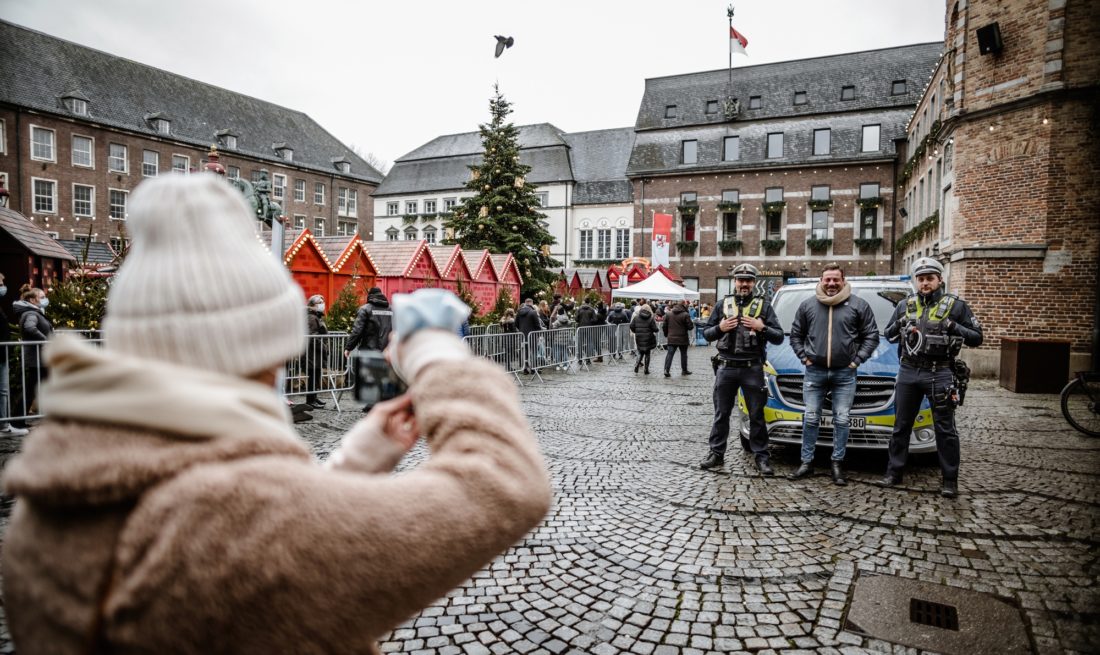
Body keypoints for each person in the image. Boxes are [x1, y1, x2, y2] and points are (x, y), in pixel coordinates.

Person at [0, 174, 552, 653]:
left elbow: (277, 542)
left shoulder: (46, 506)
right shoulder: (239, 522)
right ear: (254, 356)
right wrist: (435, 352)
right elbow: (505, 484)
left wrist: (353, 465)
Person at [878, 257, 983, 498]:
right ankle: (894, 473)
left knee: (945, 428)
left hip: (940, 372)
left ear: (939, 280)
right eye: (921, 279)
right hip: (908, 371)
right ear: (916, 281)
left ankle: (949, 480)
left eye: (930, 279)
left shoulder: (956, 306)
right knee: (901, 426)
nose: (925, 283)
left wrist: (953, 326)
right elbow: (889, 334)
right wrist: (902, 323)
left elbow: (977, 337)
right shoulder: (905, 305)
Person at [786, 264, 879, 485]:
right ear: (821, 280)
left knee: (842, 419)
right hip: (814, 371)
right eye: (827, 279)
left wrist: (857, 360)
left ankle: (837, 463)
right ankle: (806, 462)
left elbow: (871, 336)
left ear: (843, 280)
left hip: (845, 373)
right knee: (810, 418)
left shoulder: (859, 305)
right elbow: (795, 335)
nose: (831, 284)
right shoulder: (808, 305)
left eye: (835, 280)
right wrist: (803, 357)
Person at [701, 264, 784, 475]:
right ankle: (716, 453)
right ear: (735, 281)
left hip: (752, 368)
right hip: (726, 367)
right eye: (740, 280)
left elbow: (779, 336)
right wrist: (719, 328)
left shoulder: (764, 307)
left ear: (754, 283)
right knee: (721, 413)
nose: (744, 284)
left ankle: (762, 456)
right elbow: (706, 334)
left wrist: (761, 327)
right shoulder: (722, 305)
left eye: (748, 280)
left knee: (756, 415)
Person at [344, 286, 393, 411]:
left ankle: (372, 403)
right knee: (384, 375)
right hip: (387, 348)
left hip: (370, 348)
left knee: (371, 375)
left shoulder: (365, 309)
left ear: (370, 296)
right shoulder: (391, 309)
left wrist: (349, 347)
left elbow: (357, 330)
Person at [13, 285, 53, 423]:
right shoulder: (31, 313)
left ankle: (18, 420)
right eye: (42, 297)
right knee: (31, 389)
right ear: (33, 300)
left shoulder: (35, 312)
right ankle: (17, 420)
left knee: (35, 387)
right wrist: (46, 340)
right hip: (37, 358)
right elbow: (29, 328)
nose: (45, 299)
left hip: (40, 357)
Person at [0, 274, 28, 436]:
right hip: (1, 353)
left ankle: (4, 424)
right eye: (0, 283)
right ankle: (3, 426)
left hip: (2, 354)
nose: (3, 286)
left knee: (3, 390)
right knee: (2, 391)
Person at [304, 294, 329, 410]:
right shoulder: (311, 317)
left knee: (316, 375)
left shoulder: (316, 316)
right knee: (313, 376)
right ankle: (310, 400)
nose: (322, 304)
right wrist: (323, 347)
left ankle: (314, 397)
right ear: (313, 304)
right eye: (320, 302)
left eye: (322, 301)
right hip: (312, 352)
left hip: (316, 352)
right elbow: (313, 336)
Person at [662, 300, 694, 377]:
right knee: (683, 355)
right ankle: (684, 370)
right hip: (682, 338)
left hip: (671, 337)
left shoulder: (668, 314)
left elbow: (664, 326)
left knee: (670, 354)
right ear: (683, 305)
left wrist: (666, 334)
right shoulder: (685, 314)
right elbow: (690, 327)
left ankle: (666, 370)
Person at [629, 303, 658, 375]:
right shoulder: (651, 318)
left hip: (639, 337)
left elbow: (631, 326)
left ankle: (636, 365)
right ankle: (646, 369)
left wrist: (636, 331)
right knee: (647, 353)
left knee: (640, 351)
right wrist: (656, 330)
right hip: (648, 338)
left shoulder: (636, 317)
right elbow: (655, 329)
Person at [514, 298, 541, 373]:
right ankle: (533, 368)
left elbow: (516, 324)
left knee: (525, 352)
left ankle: (525, 368)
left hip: (522, 335)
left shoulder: (519, 312)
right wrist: (538, 334)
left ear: (525, 303)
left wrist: (521, 329)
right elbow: (537, 325)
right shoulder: (533, 312)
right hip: (532, 334)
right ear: (531, 303)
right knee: (534, 351)